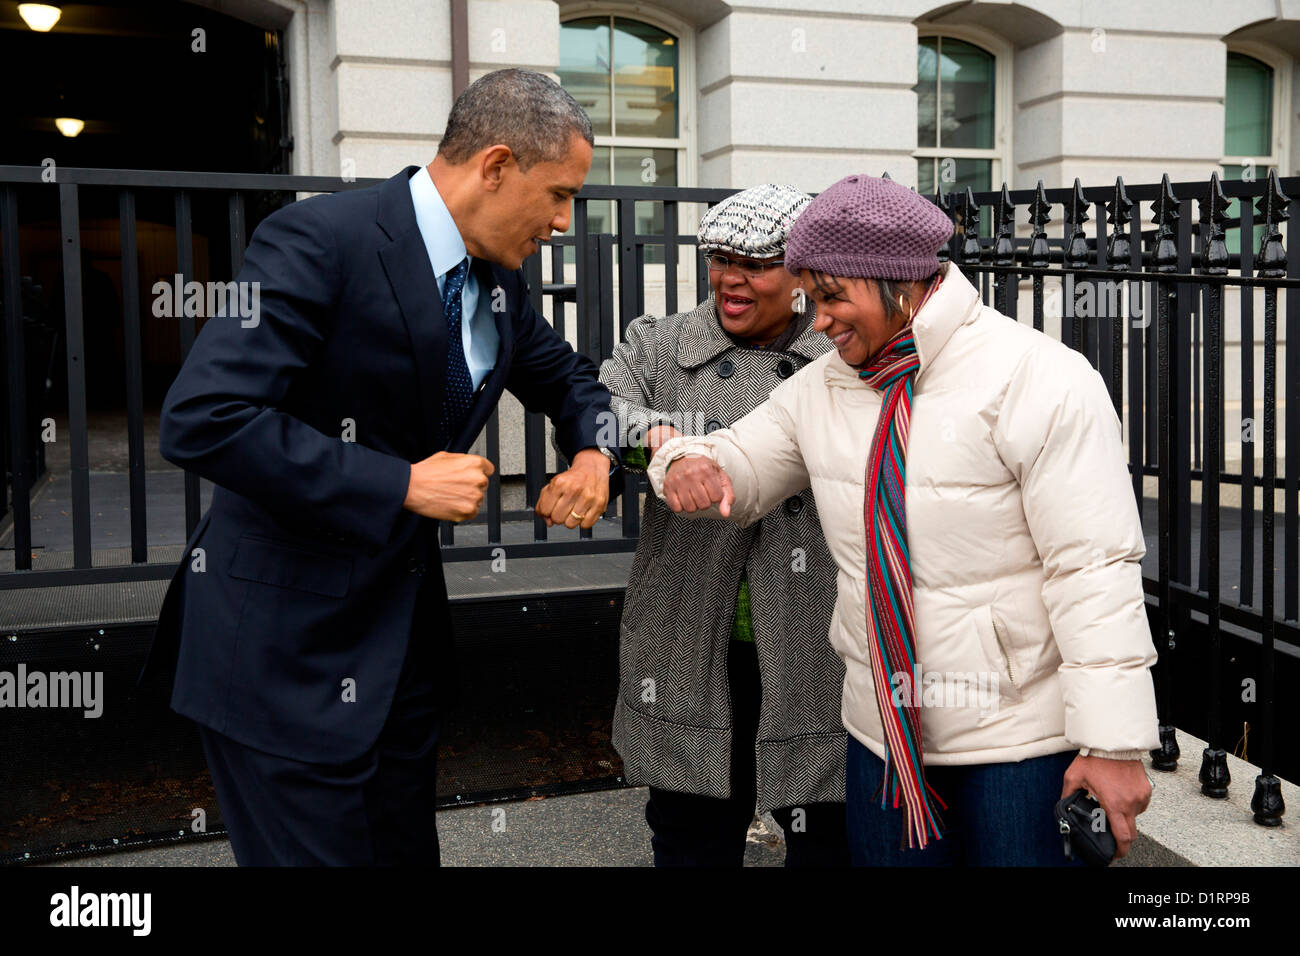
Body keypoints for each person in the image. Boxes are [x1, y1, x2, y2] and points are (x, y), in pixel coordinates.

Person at [140, 69, 619, 866]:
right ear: (495, 166)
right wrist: (397, 483)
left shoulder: (499, 280)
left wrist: (604, 454)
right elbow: (205, 418)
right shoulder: (318, 239)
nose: (565, 221)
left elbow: (575, 383)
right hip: (282, 663)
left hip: (397, 668)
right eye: (560, 194)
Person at [649, 174, 1158, 866]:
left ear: (899, 282)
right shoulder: (823, 386)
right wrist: (683, 458)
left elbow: (1093, 569)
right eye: (811, 298)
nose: (819, 321)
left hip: (1016, 742)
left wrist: (1114, 744)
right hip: (880, 736)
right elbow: (736, 457)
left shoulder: (1041, 379)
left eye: (831, 297)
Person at [596, 184, 849, 866]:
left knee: (823, 834)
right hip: (692, 632)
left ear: (802, 273)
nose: (731, 278)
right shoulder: (662, 344)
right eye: (720, 258)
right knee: (691, 836)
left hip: (814, 636)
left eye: (757, 264)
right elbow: (597, 412)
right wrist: (661, 442)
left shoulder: (842, 354)